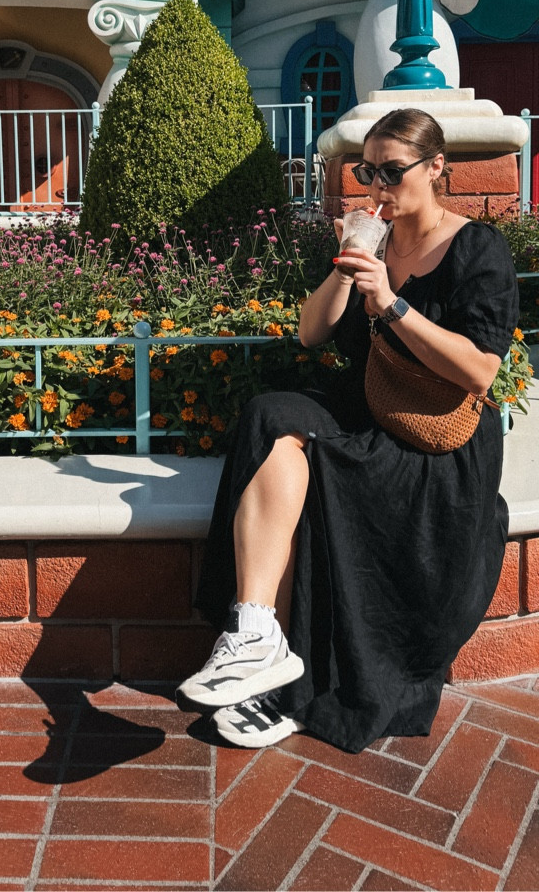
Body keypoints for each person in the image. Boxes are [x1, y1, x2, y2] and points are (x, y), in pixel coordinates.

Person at [177, 109, 519, 754]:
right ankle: (257, 636)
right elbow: (313, 332)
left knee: (317, 465)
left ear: (437, 168)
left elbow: (478, 372)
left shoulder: (477, 248)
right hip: (368, 403)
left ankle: (298, 688)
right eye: (367, 171)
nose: (378, 186)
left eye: (393, 171)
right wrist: (349, 265)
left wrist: (391, 302)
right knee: (270, 416)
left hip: (435, 434)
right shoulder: (375, 236)